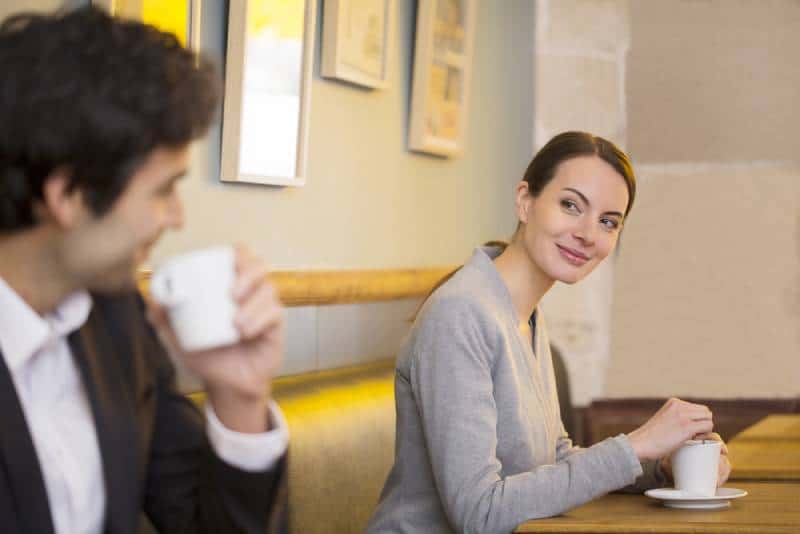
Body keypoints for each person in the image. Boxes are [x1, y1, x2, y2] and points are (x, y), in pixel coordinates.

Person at [0, 7, 287, 534]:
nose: (177, 218)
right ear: (67, 195)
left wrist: (240, 396)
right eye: (163, 189)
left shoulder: (119, 319)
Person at [367, 132, 732, 533]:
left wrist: (659, 466)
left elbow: (553, 460)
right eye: (571, 205)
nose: (588, 233)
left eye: (608, 222)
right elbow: (479, 514)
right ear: (526, 201)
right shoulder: (461, 313)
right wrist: (637, 444)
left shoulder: (525, 316)